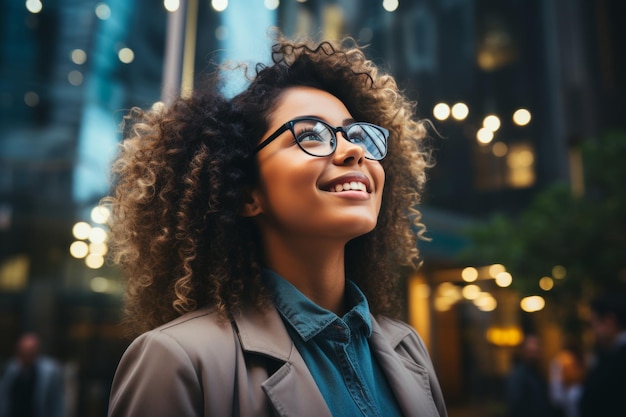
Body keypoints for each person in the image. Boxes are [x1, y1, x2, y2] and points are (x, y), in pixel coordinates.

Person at [106, 33, 447, 417]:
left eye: (358, 135)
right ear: (247, 192)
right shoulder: (179, 360)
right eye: (311, 135)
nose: (353, 150)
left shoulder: (409, 349)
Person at [578, 292, 626, 417]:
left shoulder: (615, 359)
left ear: (609, 321)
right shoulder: (608, 353)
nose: (592, 331)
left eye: (594, 323)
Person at [0, 333, 65, 417]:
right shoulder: (11, 369)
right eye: (24, 349)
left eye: (31, 350)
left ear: (37, 351)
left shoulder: (49, 372)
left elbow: (57, 403)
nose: (27, 353)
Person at [506, 334, 557, 417]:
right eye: (531, 352)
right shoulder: (518, 376)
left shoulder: (536, 373)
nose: (535, 355)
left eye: (537, 352)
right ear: (524, 352)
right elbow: (516, 405)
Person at [549, 342, 585, 417]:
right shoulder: (565, 360)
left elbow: (556, 385)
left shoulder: (559, 360)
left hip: (566, 398)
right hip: (572, 396)